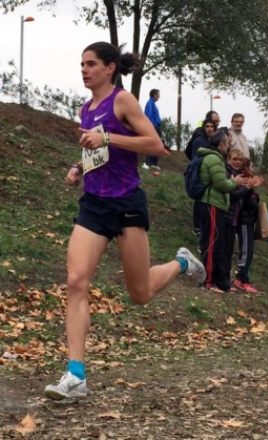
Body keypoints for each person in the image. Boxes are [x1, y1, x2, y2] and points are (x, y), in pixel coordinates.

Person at [44, 42, 207, 400]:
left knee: (141, 293)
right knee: (75, 281)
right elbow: (93, 150)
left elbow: (155, 145)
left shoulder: (123, 101)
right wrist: (77, 167)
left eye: (91, 64)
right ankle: (76, 375)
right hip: (95, 205)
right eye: (81, 64)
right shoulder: (85, 109)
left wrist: (109, 135)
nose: (84, 70)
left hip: (127, 203)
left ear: (110, 68)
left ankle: (181, 262)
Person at [194, 129, 248, 293]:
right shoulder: (213, 159)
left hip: (216, 205)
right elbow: (221, 185)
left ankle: (219, 281)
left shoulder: (215, 158)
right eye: (227, 142)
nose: (229, 144)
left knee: (217, 245)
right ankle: (207, 282)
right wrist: (236, 182)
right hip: (211, 204)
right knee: (210, 244)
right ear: (221, 144)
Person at [224, 150, 264, 293]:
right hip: (243, 220)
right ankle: (241, 279)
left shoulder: (248, 181)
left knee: (248, 250)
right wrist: (251, 190)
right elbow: (246, 201)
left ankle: (241, 278)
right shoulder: (242, 180)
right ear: (246, 168)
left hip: (247, 219)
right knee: (246, 250)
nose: (253, 169)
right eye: (251, 166)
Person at [188, 118, 217, 236]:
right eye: (207, 126)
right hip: (199, 174)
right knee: (199, 200)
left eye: (212, 127)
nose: (209, 129)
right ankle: (197, 226)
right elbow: (196, 158)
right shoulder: (199, 141)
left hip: (209, 175)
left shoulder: (213, 141)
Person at [142, 88, 163, 170]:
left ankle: (154, 162)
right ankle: (149, 162)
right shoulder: (150, 104)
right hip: (153, 127)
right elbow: (149, 116)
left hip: (156, 126)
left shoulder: (153, 104)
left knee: (158, 144)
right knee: (152, 144)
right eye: (158, 94)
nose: (159, 96)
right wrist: (153, 126)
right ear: (154, 95)